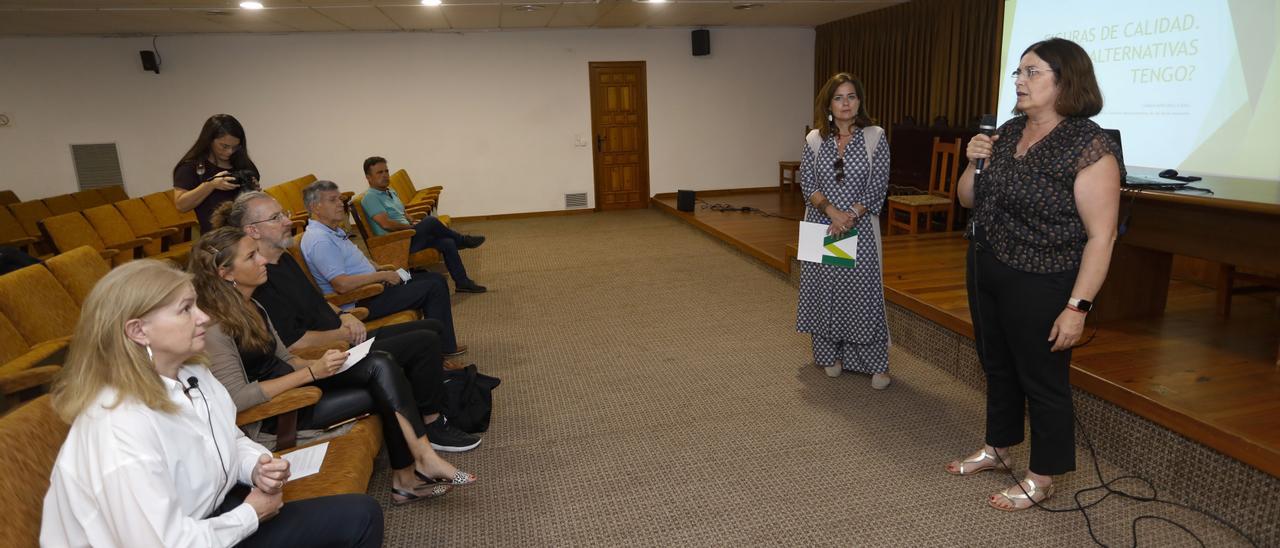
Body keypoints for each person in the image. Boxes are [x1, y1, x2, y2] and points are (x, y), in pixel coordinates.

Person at [40, 259, 383, 547]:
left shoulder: (191, 371)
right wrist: (250, 514)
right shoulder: (117, 426)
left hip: (210, 515)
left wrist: (255, 465)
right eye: (186, 310)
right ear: (139, 332)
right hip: (181, 538)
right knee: (356, 519)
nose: (204, 317)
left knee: (359, 515)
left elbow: (228, 437)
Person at [947, 38, 1122, 511]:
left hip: (1045, 277)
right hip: (987, 264)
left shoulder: (1089, 145)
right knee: (997, 364)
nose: (1020, 81)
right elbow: (967, 199)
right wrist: (972, 160)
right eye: (1018, 73)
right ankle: (997, 446)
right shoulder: (1006, 132)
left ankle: (1041, 475)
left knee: (1041, 378)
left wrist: (1077, 308)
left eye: (1032, 72)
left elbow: (1101, 238)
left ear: (1066, 81)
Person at [189, 227, 477, 506]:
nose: (262, 259)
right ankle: (414, 469)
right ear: (225, 273)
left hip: (297, 383)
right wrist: (311, 373)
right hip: (278, 413)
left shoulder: (252, 306)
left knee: (381, 364)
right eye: (251, 257)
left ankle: (412, 472)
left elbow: (287, 360)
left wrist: (324, 363)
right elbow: (236, 399)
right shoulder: (214, 328)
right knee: (382, 372)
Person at [210, 192, 481, 452]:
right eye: (276, 217)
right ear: (253, 231)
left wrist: (344, 315)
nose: (288, 221)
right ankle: (431, 427)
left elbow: (318, 301)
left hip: (336, 340)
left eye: (284, 214)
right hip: (327, 350)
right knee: (421, 342)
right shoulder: (259, 285)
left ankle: (437, 406)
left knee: (430, 329)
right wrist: (338, 343)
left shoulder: (282, 261)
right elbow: (294, 345)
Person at [796, 73, 892, 389]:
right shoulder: (814, 140)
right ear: (828, 103)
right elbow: (807, 184)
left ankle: (875, 364)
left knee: (861, 293)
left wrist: (849, 215)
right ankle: (831, 356)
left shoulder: (875, 137)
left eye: (851, 96)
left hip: (860, 226)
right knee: (826, 292)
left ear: (860, 101)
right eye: (839, 97)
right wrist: (832, 213)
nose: (845, 103)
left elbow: (878, 186)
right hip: (821, 224)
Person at [300, 180, 467, 357]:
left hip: (373, 289)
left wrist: (378, 268)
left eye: (340, 199)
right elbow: (341, 285)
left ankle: (439, 346)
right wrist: (382, 276)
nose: (341, 204)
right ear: (315, 207)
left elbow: (350, 262)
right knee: (434, 287)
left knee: (431, 278)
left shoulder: (331, 231)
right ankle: (444, 349)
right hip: (361, 298)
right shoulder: (320, 241)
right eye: (333, 200)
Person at [360, 156, 487, 293]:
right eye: (380, 172)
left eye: (386, 171)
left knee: (447, 242)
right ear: (368, 177)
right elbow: (386, 224)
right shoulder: (370, 197)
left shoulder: (389, 191)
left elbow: (401, 212)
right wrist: (410, 227)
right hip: (397, 243)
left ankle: (462, 283)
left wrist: (411, 219)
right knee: (430, 221)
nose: (385, 175)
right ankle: (462, 240)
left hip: (409, 236)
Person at [173, 114, 261, 233]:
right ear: (209, 140)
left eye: (235, 147)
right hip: (217, 239)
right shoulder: (191, 167)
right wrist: (211, 185)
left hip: (249, 232)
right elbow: (181, 205)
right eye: (224, 146)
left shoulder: (241, 163)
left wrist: (254, 190)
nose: (230, 151)